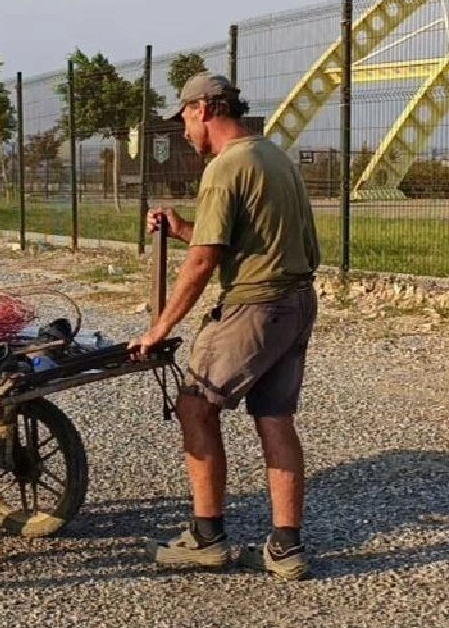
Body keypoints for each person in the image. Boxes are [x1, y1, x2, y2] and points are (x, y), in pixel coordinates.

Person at [129, 72, 321, 580]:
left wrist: (158, 329)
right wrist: (182, 228)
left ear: (205, 110)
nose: (185, 130)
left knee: (195, 407)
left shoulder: (224, 167)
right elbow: (241, 238)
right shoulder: (272, 156)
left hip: (255, 306)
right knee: (275, 417)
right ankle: (286, 548)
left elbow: (203, 262)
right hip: (296, 302)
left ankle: (206, 538)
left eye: (185, 118)